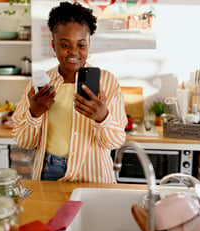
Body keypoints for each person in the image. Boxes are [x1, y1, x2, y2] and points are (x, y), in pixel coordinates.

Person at [12, 1, 127, 183]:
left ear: (89, 44)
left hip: (92, 171)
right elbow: (25, 142)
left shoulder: (106, 82)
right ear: (53, 45)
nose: (74, 52)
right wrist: (34, 113)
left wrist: (102, 117)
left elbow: (114, 142)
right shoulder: (40, 85)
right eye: (65, 45)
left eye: (81, 45)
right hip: (48, 171)